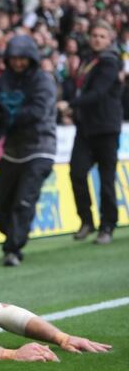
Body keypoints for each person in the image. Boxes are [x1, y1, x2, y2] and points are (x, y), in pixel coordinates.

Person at [0, 35, 57, 267]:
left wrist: (11, 115)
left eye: (22, 58)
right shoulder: (3, 80)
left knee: (23, 201)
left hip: (40, 147)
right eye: (14, 58)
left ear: (31, 58)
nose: (18, 63)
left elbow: (39, 110)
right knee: (2, 202)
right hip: (12, 150)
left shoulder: (42, 80)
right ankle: (12, 237)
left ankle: (13, 249)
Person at [60, 21, 124, 245]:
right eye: (94, 35)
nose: (97, 39)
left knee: (106, 181)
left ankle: (107, 225)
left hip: (106, 129)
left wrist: (71, 104)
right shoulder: (88, 60)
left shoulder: (110, 62)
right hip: (86, 129)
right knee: (76, 173)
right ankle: (86, 220)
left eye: (102, 36)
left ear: (109, 39)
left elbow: (98, 93)